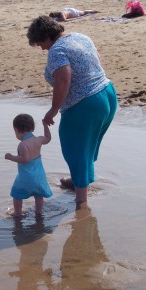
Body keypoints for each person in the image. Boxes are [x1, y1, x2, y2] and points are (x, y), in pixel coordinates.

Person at [27, 16, 118, 207]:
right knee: (86, 146)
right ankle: (78, 181)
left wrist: (53, 110)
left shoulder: (56, 50)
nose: (42, 48)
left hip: (87, 104)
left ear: (46, 37)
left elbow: (64, 79)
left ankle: (81, 203)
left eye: (40, 44)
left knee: (74, 148)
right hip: (107, 93)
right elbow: (96, 58)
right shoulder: (80, 36)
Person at [5, 114, 52, 217]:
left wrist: (11, 157)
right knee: (39, 196)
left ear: (16, 130)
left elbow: (25, 159)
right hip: (39, 176)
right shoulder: (38, 139)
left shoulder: (23, 144)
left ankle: (18, 213)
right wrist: (45, 125)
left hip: (26, 176)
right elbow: (48, 138)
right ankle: (39, 212)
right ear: (33, 128)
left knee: (17, 195)